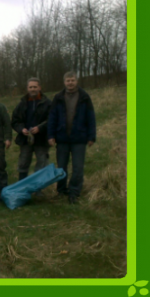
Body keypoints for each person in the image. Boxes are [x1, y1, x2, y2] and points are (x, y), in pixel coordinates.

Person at [48, 71, 96, 204]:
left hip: (79, 138)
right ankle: (61, 190)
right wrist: (51, 135)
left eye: (72, 80)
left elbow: (91, 117)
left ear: (76, 81)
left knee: (78, 167)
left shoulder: (84, 97)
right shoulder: (58, 97)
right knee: (61, 166)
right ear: (64, 82)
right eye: (68, 80)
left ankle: (74, 192)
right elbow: (52, 117)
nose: (70, 83)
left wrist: (91, 136)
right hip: (62, 138)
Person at [11, 78, 51, 181]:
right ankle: (22, 187)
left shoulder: (47, 103)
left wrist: (40, 128)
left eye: (35, 87)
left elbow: (52, 120)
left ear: (39, 88)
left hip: (42, 139)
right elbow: (14, 121)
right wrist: (21, 129)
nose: (33, 89)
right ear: (27, 89)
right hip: (26, 139)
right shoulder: (22, 104)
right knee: (23, 163)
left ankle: (38, 189)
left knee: (42, 163)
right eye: (30, 87)